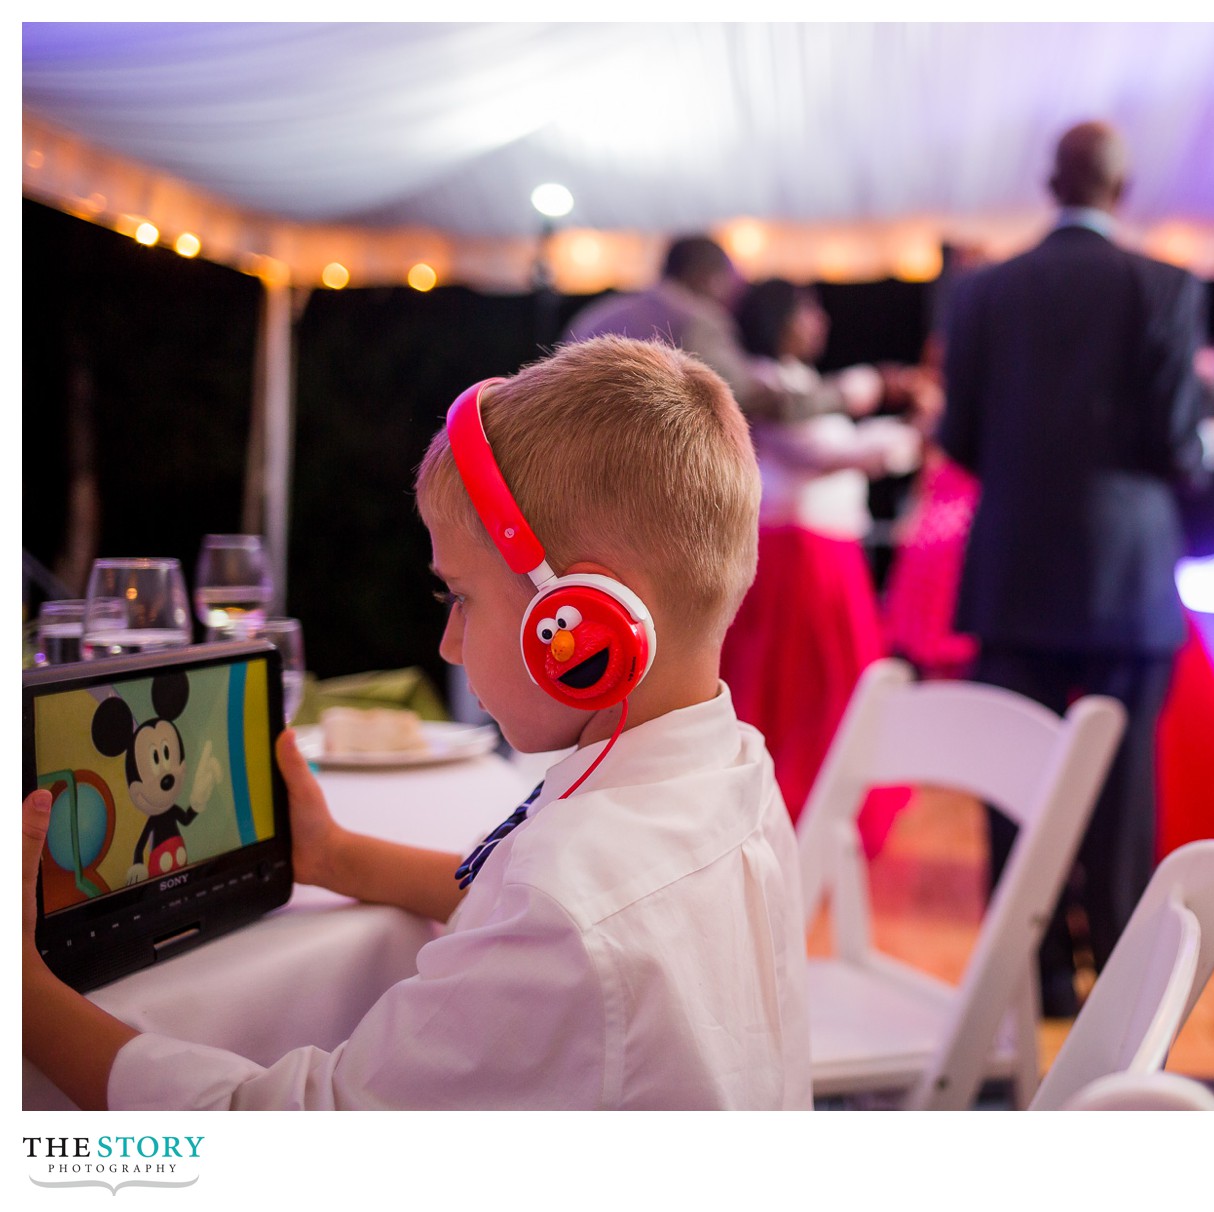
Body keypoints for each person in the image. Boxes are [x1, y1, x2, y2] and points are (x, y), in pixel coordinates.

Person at [22, 336, 812, 1110]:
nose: (449, 642)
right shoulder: (732, 767)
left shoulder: (571, 912)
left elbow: (276, 1138)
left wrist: (23, 995)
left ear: (585, 621)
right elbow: (515, 899)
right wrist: (336, 858)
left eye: (459, 597)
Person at [938, 120, 1214, 1017]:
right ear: (1123, 187)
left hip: (1014, 574)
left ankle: (1038, 978)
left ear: (1046, 180)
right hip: (1122, 581)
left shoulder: (984, 292)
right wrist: (1213, 444)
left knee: (1014, 793)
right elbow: (1179, 446)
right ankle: (1119, 982)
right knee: (1123, 793)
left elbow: (959, 438)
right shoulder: (1164, 285)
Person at [719, 278, 922, 855]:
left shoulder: (801, 384)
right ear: (779, 317)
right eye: (807, 310)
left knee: (831, 682)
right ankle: (793, 805)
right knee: (804, 685)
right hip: (795, 554)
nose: (818, 321)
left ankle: (829, 804)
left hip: (824, 549)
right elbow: (824, 455)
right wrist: (910, 437)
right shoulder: (765, 384)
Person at [565, 234, 883, 425]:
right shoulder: (698, 320)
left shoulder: (595, 316)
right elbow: (744, 398)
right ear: (711, 279)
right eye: (732, 288)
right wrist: (842, 395)